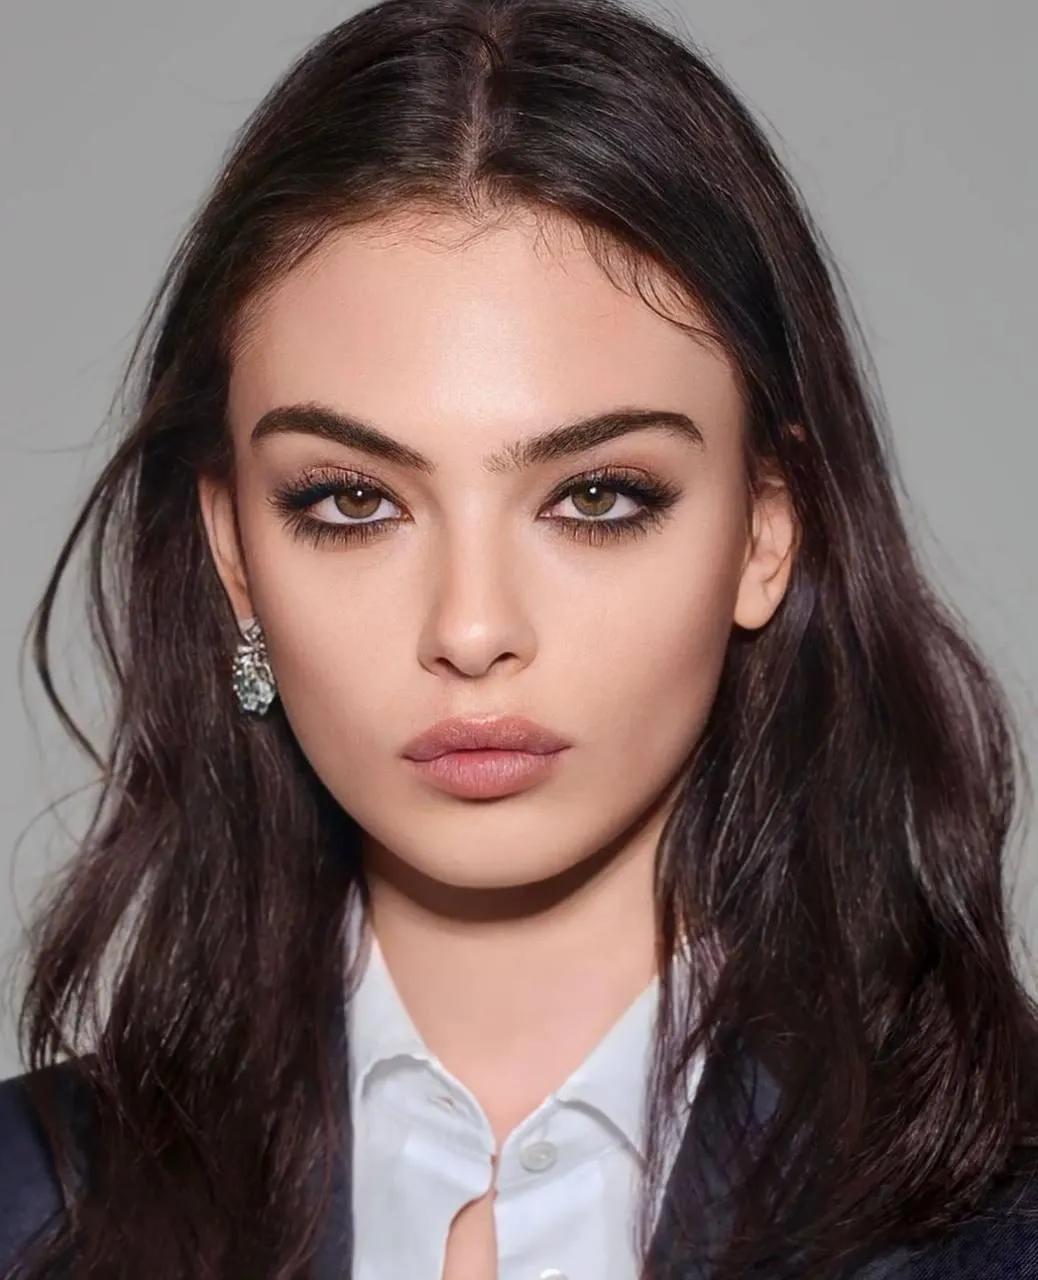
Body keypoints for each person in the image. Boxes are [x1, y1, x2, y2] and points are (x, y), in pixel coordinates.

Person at [2, 0, 1037, 1276]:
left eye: (597, 496)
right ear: (235, 552)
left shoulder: (1005, 1210)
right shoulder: (26, 1207)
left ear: (771, 527)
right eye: (352, 501)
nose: (472, 628)